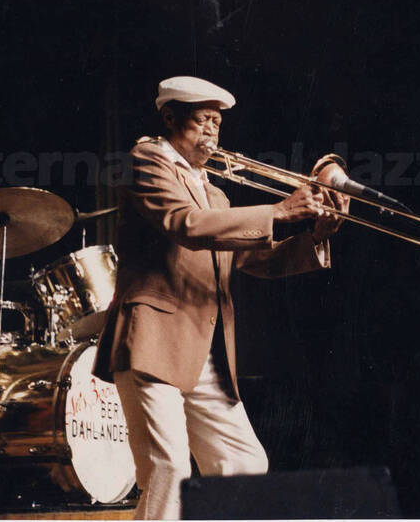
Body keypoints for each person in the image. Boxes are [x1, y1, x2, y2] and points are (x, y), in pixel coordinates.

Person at [93, 76, 347, 520]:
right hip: (155, 337)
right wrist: (280, 210)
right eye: (202, 120)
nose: (212, 131)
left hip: (205, 348)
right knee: (167, 467)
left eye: (217, 122)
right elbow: (184, 224)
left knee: (244, 465)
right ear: (170, 117)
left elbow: (255, 260)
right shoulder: (148, 159)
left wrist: (316, 235)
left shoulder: (216, 193)